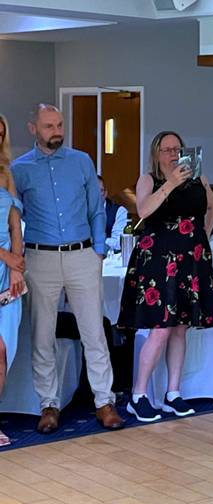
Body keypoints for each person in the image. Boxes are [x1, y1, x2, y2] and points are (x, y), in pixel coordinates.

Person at [12, 103, 124, 433]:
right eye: (49, 126)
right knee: (42, 335)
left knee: (94, 333)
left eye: (60, 124)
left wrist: (98, 251)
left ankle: (104, 402)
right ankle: (49, 405)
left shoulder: (82, 162)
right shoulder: (20, 169)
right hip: (40, 258)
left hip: (82, 257)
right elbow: (13, 217)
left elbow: (97, 209)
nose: (57, 131)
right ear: (33, 128)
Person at [116, 131, 213, 422]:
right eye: (167, 149)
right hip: (160, 260)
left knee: (180, 326)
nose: (173, 154)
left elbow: (212, 207)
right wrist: (171, 184)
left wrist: (204, 234)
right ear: (156, 153)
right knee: (161, 327)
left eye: (177, 148)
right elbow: (143, 210)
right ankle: (138, 395)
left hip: (191, 259)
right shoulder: (149, 179)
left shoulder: (197, 178)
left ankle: (173, 392)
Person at [0, 114, 25, 446]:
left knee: (3, 351)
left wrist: (16, 265)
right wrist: (5, 256)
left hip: (8, 275)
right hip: (2, 259)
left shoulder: (6, 172)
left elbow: (16, 222)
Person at [99, 175, 128, 253]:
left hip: (109, 260)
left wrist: (96, 239)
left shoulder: (119, 211)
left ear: (105, 193)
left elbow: (119, 243)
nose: (96, 195)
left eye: (100, 190)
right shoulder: (79, 212)